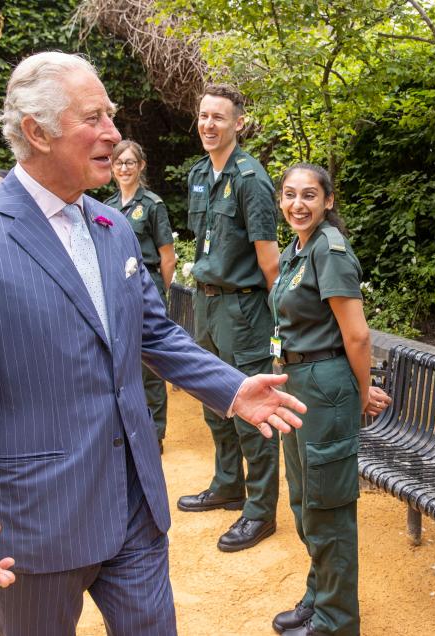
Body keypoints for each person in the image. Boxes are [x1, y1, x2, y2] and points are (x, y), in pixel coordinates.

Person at [0, 51, 306, 636]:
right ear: (37, 133)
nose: (113, 133)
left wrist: (232, 387)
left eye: (110, 115)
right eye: (94, 118)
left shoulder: (113, 226)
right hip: (33, 525)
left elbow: (152, 332)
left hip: (134, 507)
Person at [268, 164, 390, 636]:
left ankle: (337, 621)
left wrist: (360, 392)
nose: (298, 204)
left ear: (328, 201)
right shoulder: (298, 250)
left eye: (310, 195)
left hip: (324, 386)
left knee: (328, 508)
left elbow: (357, 336)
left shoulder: (330, 251)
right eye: (290, 195)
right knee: (304, 501)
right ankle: (320, 596)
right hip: (296, 384)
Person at [178, 83, 282, 553]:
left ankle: (259, 511)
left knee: (251, 414)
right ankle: (227, 484)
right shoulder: (200, 174)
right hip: (205, 303)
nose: (208, 124)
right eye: (203, 116)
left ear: (238, 123)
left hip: (243, 311)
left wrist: (280, 325)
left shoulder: (251, 179)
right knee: (213, 401)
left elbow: (270, 263)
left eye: (219, 117)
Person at [104, 140, 176, 452]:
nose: (124, 168)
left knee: (150, 363)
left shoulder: (152, 205)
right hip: (116, 288)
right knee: (121, 360)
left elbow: (167, 256)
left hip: (147, 285)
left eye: (130, 162)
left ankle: (155, 430)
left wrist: (162, 293)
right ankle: (129, 426)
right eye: (118, 163)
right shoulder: (106, 207)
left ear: (141, 166)